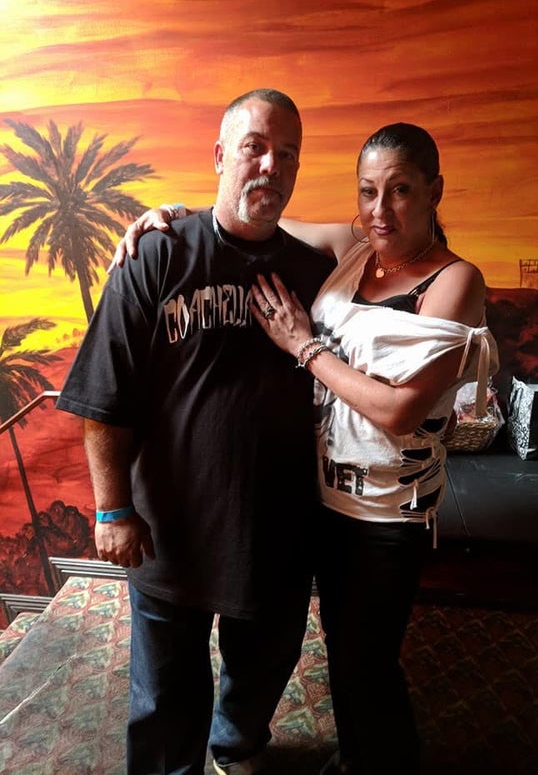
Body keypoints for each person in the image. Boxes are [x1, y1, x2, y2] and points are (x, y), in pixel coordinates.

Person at [116, 122, 498, 775]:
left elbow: (400, 410)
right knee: (330, 648)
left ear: (434, 191)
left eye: (401, 190)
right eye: (368, 191)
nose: (381, 210)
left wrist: (304, 346)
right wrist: (177, 215)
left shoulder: (455, 280)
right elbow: (253, 219)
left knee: (365, 663)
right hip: (319, 496)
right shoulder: (355, 246)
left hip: (384, 515)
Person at [56, 88, 335, 775]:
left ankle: (236, 747)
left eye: (288, 155)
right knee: (163, 694)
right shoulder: (156, 256)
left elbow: (379, 242)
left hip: (276, 529)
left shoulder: (315, 273)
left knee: (264, 661)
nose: (271, 166)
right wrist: (112, 508)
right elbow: (105, 395)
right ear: (218, 155)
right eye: (255, 148)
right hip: (169, 528)